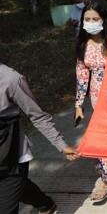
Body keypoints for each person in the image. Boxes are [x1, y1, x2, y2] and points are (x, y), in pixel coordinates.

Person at [0, 64, 78, 214]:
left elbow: (38, 116)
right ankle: (45, 204)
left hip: (11, 158)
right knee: (20, 189)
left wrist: (60, 144)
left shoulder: (11, 79)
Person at [73, 1, 107, 202]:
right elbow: (82, 75)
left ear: (104, 21)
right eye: (87, 19)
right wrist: (78, 104)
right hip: (97, 97)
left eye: (95, 19)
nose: (91, 22)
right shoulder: (82, 45)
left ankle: (105, 175)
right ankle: (105, 176)